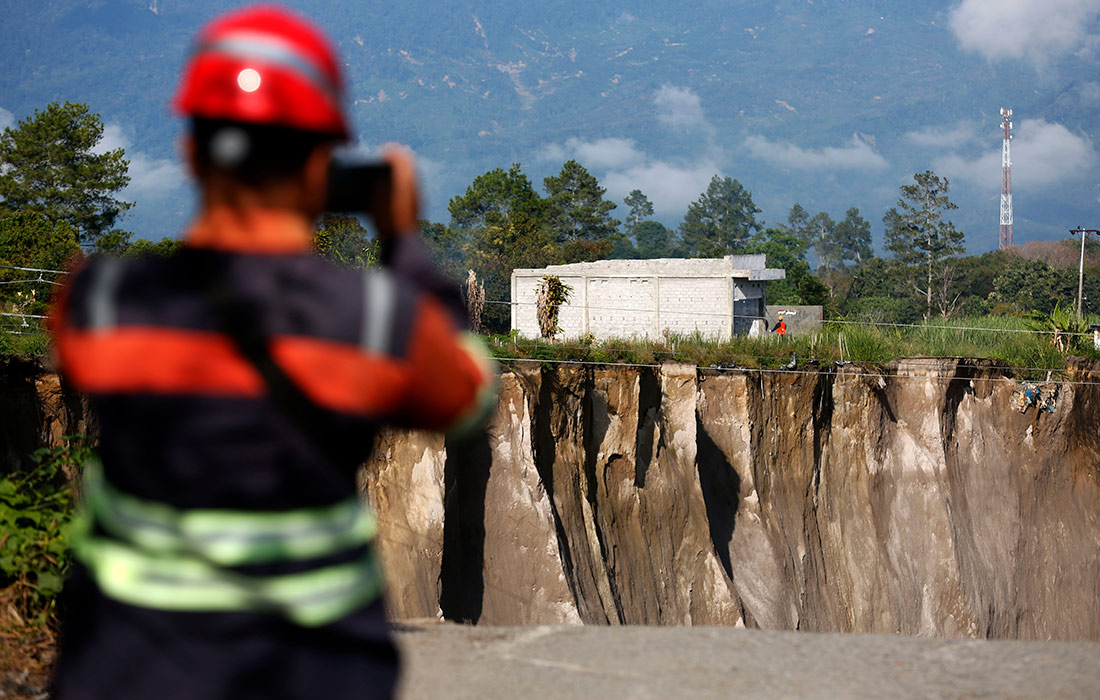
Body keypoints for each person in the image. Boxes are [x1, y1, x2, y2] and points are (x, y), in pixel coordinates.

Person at [47, 5, 496, 698]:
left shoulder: (99, 304)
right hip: (316, 672)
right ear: (322, 164)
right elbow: (466, 396)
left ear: (191, 154)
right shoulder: (375, 320)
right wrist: (405, 249)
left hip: (126, 670)